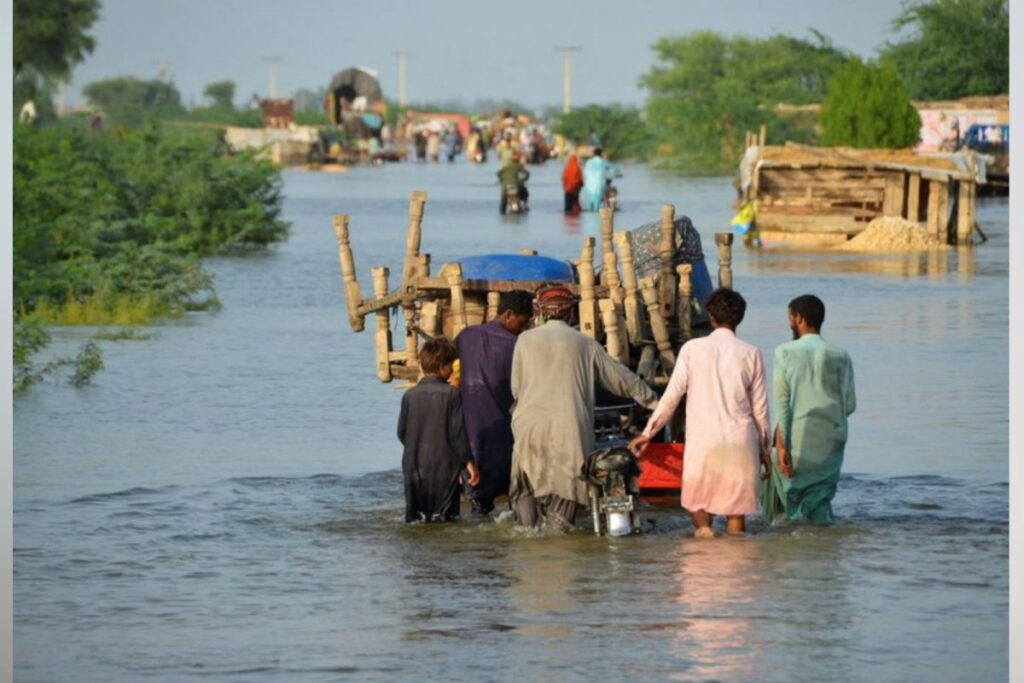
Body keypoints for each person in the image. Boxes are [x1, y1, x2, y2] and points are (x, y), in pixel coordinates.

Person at [509, 285, 659, 532]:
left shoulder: (524, 341)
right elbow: (622, 379)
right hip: (570, 429)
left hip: (528, 427)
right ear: (570, 314)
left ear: (542, 313)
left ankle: (527, 534)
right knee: (565, 494)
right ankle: (559, 541)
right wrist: (655, 402)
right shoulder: (585, 343)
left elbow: (516, 389)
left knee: (526, 487)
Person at [630, 288, 771, 537]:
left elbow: (671, 396)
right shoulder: (752, 353)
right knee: (736, 515)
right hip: (740, 440)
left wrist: (648, 433)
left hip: (703, 441)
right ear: (740, 318)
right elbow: (760, 410)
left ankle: (704, 542)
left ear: (710, 317)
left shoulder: (692, 349)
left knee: (699, 505)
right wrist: (764, 451)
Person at [763, 295, 856, 523]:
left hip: (798, 436)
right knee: (820, 498)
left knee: (787, 497)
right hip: (832, 437)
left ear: (799, 318)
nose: (789, 323)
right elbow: (850, 405)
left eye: (790, 317)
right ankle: (824, 551)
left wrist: (782, 444)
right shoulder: (841, 355)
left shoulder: (784, 352)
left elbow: (782, 404)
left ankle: (793, 544)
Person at [454, 290, 534, 515]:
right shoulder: (516, 345)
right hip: (502, 432)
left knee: (479, 503)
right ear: (508, 315)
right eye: (522, 322)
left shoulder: (466, 335)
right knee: (514, 497)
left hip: (470, 434)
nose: (524, 328)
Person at [397, 338, 480, 523]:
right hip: (444, 469)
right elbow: (457, 433)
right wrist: (468, 463)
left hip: (413, 467)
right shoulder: (452, 394)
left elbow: (401, 432)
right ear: (442, 366)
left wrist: (416, 449)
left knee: (416, 520)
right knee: (446, 520)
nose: (451, 371)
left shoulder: (409, 396)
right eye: (450, 366)